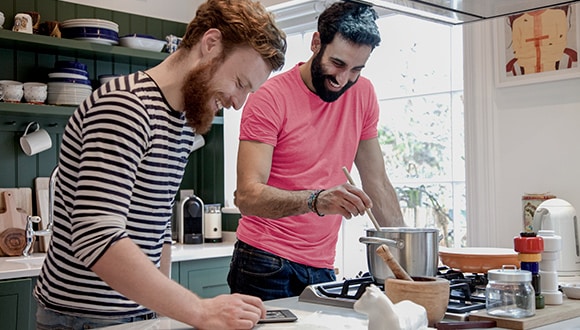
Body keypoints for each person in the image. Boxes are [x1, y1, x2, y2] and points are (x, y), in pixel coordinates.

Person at [33, 0, 286, 329]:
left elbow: (157, 228)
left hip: (137, 314)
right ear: (210, 45)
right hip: (83, 319)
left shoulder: (181, 120)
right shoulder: (125, 106)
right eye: (239, 83)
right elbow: (96, 235)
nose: (237, 103)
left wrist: (163, 315)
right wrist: (199, 310)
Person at [228, 1, 405, 301]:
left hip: (322, 267)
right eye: (337, 64)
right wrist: (316, 200)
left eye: (356, 70)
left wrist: (406, 250)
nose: (343, 79)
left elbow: (377, 181)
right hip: (263, 262)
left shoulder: (363, 95)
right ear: (316, 43)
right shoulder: (269, 98)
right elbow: (247, 197)